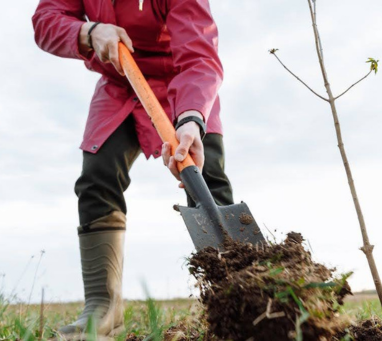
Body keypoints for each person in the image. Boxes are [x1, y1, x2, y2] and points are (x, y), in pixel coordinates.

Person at [32, 0, 233, 337]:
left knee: (207, 179)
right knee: (97, 178)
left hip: (182, 84)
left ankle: (233, 296)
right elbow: (46, 20)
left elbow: (199, 56)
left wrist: (191, 118)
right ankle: (102, 308)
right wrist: (88, 31)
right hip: (119, 83)